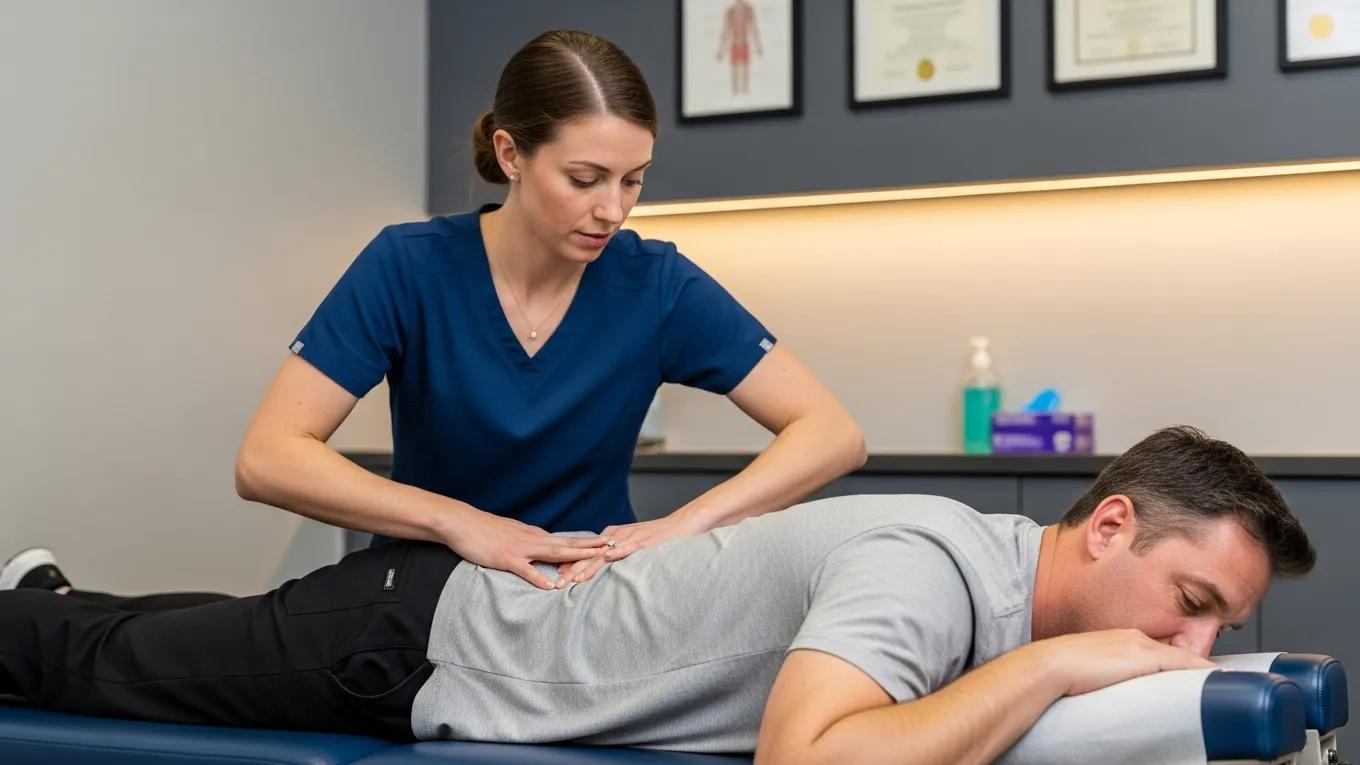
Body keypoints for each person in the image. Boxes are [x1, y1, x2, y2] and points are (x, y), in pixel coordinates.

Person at [29, 28, 866, 615]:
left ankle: (53, 605)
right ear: (510, 154)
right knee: (251, 632)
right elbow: (267, 457)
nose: (613, 208)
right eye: (585, 177)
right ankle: (54, 610)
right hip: (415, 591)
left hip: (576, 596)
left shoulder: (656, 283)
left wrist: (681, 528)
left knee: (241, 630)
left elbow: (831, 432)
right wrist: (462, 524)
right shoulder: (411, 265)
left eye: (634, 179)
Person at [0, 427, 1316, 759]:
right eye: (1188, 600)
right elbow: (811, 755)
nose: (1186, 646)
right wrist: (1051, 670)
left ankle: (55, 590)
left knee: (169, 632)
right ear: (1110, 525)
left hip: (437, 610)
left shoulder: (990, 564)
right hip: (417, 643)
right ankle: (35, 612)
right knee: (98, 666)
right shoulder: (933, 570)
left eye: (1217, 632)